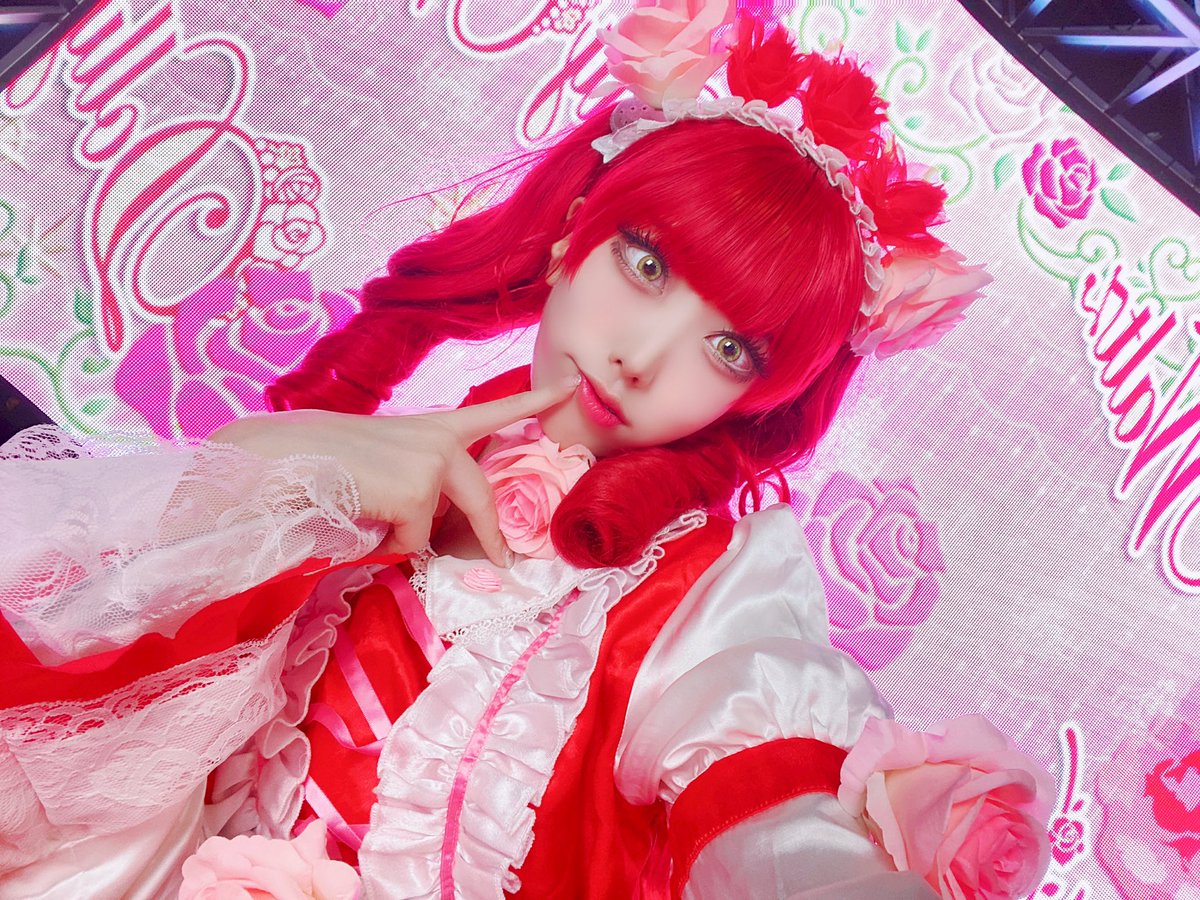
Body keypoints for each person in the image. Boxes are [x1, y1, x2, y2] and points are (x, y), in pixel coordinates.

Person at [0, 2, 1053, 898]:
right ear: (570, 239)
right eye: (647, 265)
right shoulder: (386, 455)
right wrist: (297, 463)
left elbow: (764, 788)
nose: (642, 358)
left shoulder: (714, 588)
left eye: (729, 347)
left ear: (758, 396)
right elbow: (97, 657)